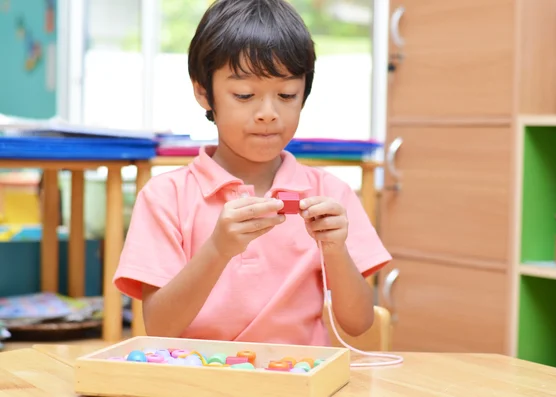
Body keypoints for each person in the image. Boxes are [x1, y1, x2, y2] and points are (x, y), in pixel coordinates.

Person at [113, 0, 391, 346]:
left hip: (296, 379)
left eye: (287, 94)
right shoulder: (165, 197)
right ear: (203, 91)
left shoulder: (329, 193)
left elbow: (359, 323)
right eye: (245, 95)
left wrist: (335, 250)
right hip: (198, 379)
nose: (268, 113)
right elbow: (158, 327)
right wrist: (218, 248)